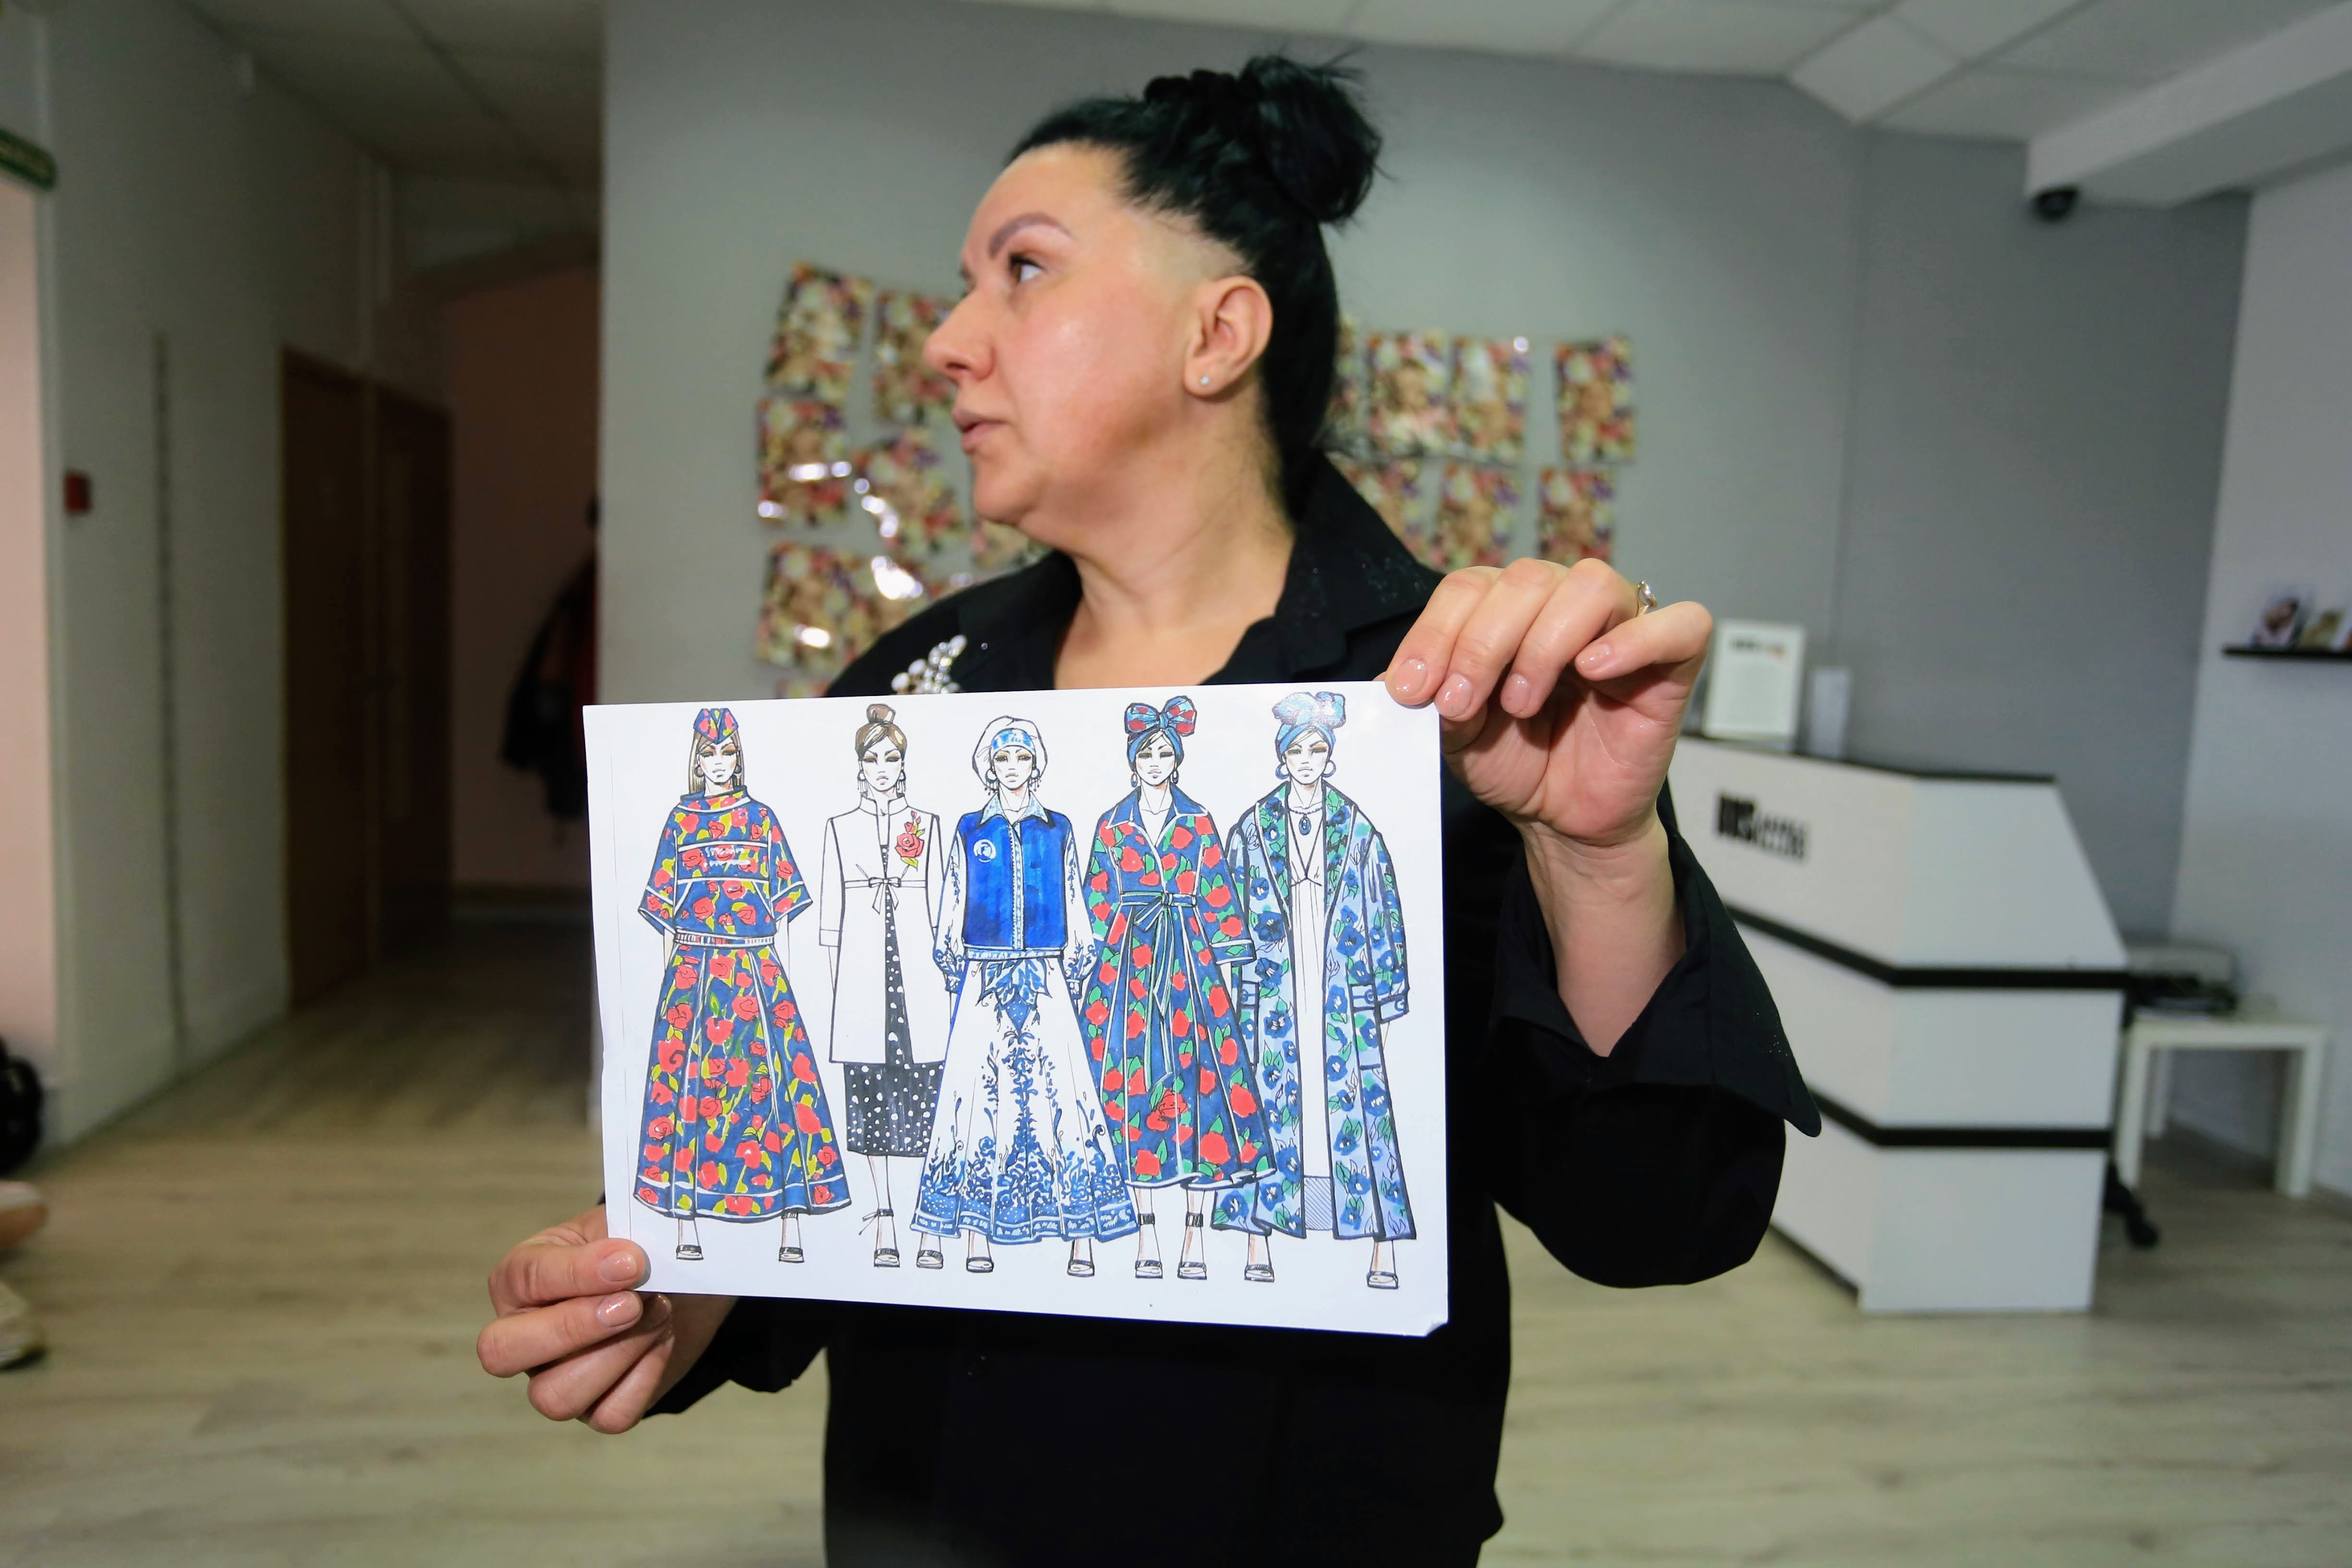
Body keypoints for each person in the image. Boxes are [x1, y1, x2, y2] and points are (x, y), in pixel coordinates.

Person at [478, 55, 1816, 1566]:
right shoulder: (914, 691)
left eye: (1022, 269)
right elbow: (866, 1153)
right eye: (964, 284)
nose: (946, 340)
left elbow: (1654, 1217)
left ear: (1216, 332)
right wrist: (685, 1291)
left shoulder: (1461, 706)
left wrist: (1599, 853)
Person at [909, 717, 1136, 1276]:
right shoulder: (970, 829)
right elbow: (953, 898)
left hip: (1046, 972)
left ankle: (1079, 1236)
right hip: (982, 975)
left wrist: (1075, 964)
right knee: (974, 1099)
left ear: (1036, 764)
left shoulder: (1057, 828)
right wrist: (952, 963)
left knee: (1061, 1095)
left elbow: (1073, 898)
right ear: (989, 766)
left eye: (1022, 757)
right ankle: (973, 1235)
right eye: (1002, 758)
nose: (1013, 768)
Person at [630, 708, 849, 1264]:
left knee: (774, 1088)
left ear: (739, 757)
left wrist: (787, 987)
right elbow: (662, 915)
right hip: (694, 972)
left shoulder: (761, 819)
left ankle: (789, 1223)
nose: (718, 763)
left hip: (755, 970)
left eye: (727, 752)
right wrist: (670, 991)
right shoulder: (680, 821)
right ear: (696, 759)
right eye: (709, 753)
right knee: (689, 1091)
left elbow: (787, 911)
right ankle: (686, 1224)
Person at [1212, 690, 1413, 1290]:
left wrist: (1387, 994)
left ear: (1329, 756)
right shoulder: (1253, 827)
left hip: (1340, 986)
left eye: (1316, 749)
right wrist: (1230, 990)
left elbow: (1383, 909)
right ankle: (1258, 1240)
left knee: (1356, 1105)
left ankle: (1378, 1247)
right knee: (1267, 1101)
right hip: (1272, 987)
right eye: (1296, 749)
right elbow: (1227, 914)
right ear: (1282, 756)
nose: (1306, 759)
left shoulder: (1357, 827)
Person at [1077, 696, 1270, 1281]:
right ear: (1132, 760)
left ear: (1177, 759)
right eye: (1146, 754)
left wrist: (1229, 964)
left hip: (1189, 960)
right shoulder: (1112, 823)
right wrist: (1086, 968)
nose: (1155, 762)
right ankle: (1144, 1235)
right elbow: (1095, 897)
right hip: (1125, 965)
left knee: (1198, 1086)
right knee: (1126, 1086)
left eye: (1164, 752)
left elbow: (1217, 891)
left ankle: (1193, 1235)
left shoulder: (1198, 819)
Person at [815, 704, 951, 1270]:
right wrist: (839, 1000)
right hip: (863, 979)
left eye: (890, 758)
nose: (881, 768)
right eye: (872, 759)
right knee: (869, 1102)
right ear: (859, 766)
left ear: (903, 764)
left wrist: (946, 990)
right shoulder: (839, 827)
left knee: (923, 1101)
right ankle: (885, 1215)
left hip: (918, 978)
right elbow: (829, 926)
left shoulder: (926, 824)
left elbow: (943, 913)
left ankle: (926, 1218)